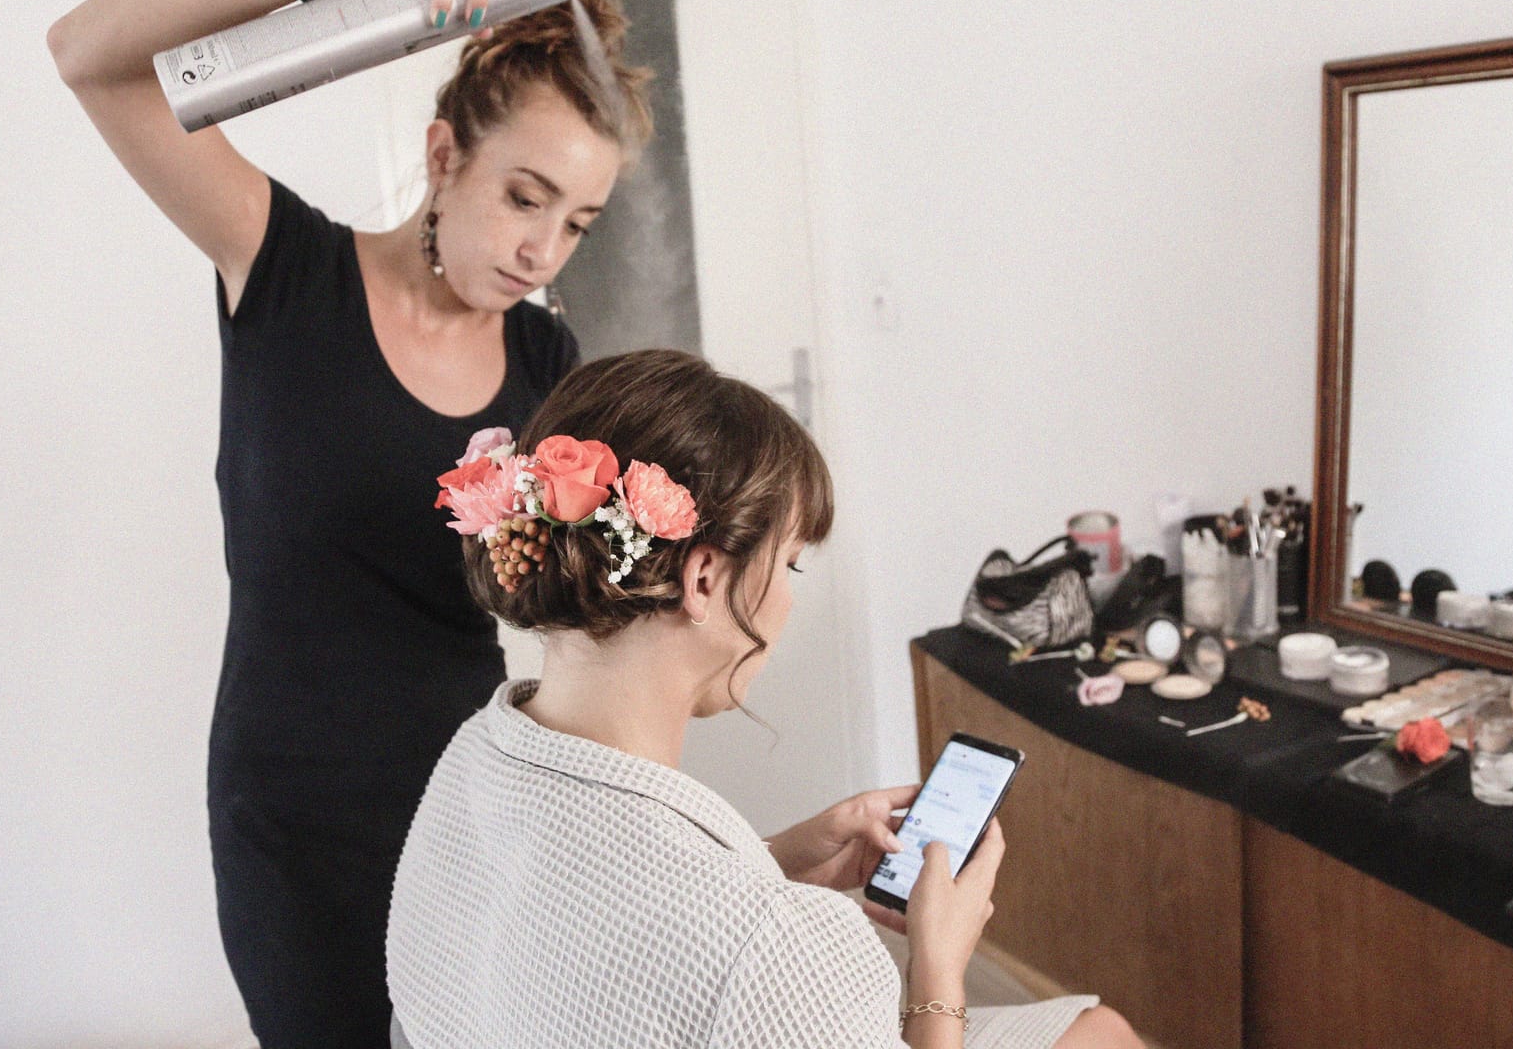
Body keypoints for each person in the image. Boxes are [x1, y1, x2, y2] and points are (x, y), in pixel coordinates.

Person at [46, 0, 654, 1047]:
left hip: (475, 800)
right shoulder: (284, 271)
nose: (541, 248)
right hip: (293, 818)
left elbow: (567, 612)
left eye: (577, 222)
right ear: (443, 155)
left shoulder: (544, 357)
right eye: (524, 197)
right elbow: (89, 57)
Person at [389, 349, 1143, 1048]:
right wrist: (937, 970)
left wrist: (771, 858)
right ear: (705, 579)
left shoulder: (473, 757)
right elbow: (711, 949)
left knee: (1094, 1032)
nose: (786, 599)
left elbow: (592, 934)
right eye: (789, 564)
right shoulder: (777, 946)